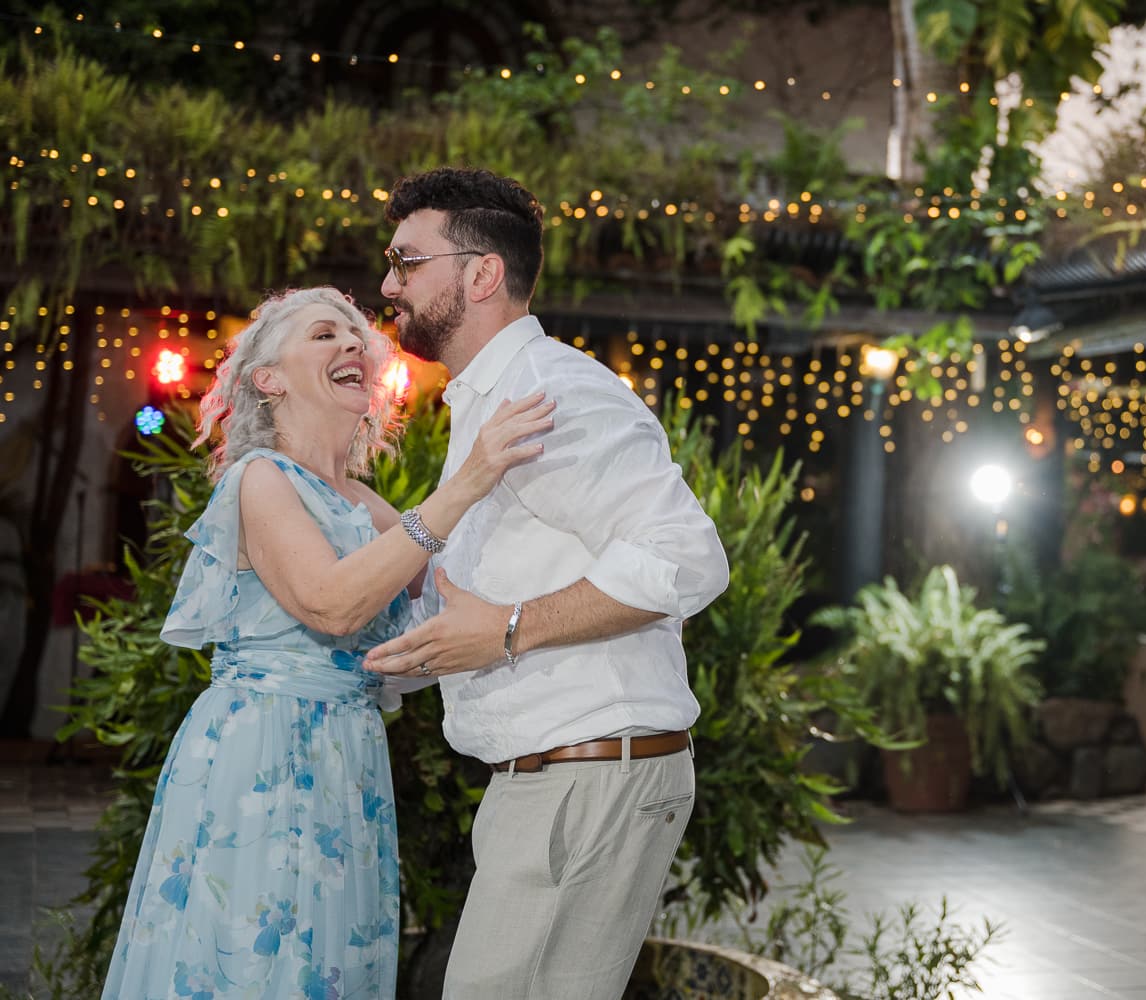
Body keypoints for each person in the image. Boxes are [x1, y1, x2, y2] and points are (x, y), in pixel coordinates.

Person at [102, 286, 554, 999]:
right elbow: (331, 605)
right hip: (262, 752)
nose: (353, 344)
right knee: (253, 959)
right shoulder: (259, 479)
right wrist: (465, 485)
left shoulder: (367, 504)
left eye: (357, 338)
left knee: (328, 964)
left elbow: (452, 612)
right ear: (267, 380)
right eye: (323, 335)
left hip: (348, 757)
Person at [363, 167, 730, 999]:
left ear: (482, 273)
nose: (388, 284)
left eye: (406, 260)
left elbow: (688, 554)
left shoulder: (550, 393)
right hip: (563, 776)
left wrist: (507, 628)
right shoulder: (487, 404)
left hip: (583, 778)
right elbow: (475, 605)